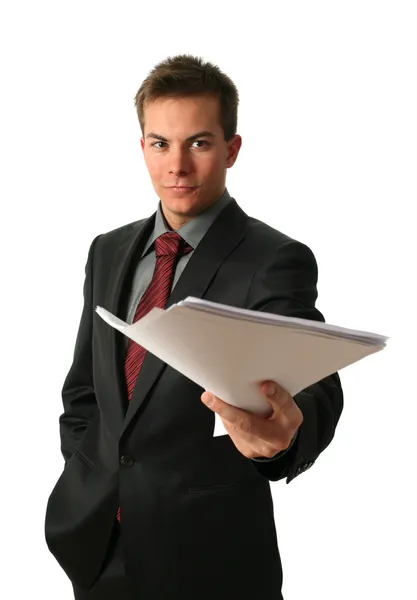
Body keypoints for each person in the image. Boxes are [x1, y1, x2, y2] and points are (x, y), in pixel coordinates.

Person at [44, 54, 344, 600]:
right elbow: (85, 386)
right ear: (142, 148)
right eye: (160, 143)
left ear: (231, 150)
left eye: (199, 143)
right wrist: (87, 475)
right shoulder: (109, 250)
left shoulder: (273, 259)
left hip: (209, 559)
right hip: (97, 544)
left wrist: (282, 440)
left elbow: (316, 383)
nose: (177, 165)